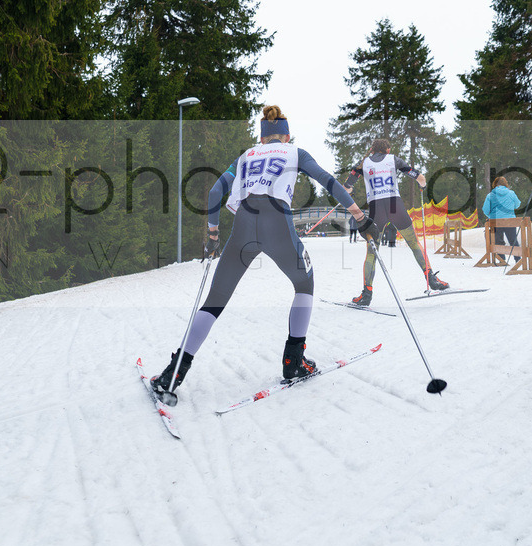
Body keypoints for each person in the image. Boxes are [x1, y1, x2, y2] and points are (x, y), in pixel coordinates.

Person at [150, 106, 380, 400]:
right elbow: (330, 183)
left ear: (262, 138)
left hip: (243, 226)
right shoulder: (295, 152)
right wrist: (360, 217)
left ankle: (173, 375)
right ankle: (293, 362)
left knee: (215, 300)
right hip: (277, 223)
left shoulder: (246, 156)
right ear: (285, 135)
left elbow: (213, 194)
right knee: (304, 284)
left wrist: (212, 236)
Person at [344, 138, 448, 306]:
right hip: (395, 205)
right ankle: (432, 279)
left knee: (371, 253)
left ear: (372, 150)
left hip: (376, 208)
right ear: (387, 149)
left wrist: (349, 189)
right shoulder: (393, 159)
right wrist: (422, 185)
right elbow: (420, 177)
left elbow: (347, 186)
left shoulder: (363, 163)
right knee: (414, 243)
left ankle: (366, 294)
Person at [482, 176, 522, 263]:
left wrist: (490, 216)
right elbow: (517, 204)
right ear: (505, 184)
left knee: (498, 240)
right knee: (513, 240)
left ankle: (502, 259)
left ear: (495, 185)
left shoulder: (490, 195)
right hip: (510, 221)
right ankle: (518, 259)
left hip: (495, 221)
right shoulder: (511, 193)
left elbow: (485, 209)